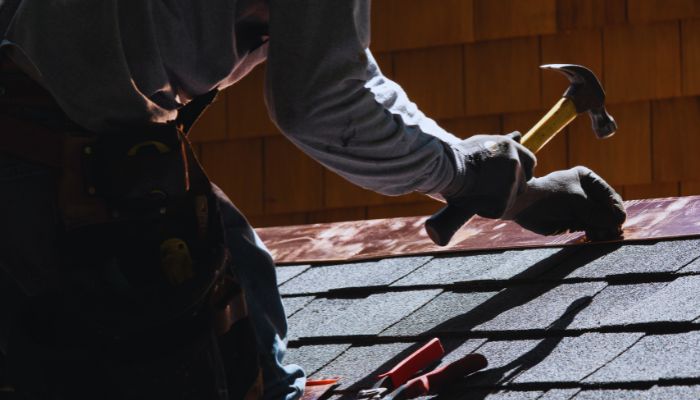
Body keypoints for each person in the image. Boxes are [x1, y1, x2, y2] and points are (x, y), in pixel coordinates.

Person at [0, 1, 626, 399]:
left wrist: (502, 186)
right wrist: (473, 178)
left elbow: (344, 67)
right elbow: (324, 100)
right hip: (49, 165)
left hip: (67, 140)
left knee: (239, 267)